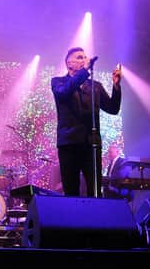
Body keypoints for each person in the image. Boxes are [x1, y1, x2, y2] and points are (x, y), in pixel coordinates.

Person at [51, 47, 121, 197]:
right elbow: (64, 93)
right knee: (71, 189)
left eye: (85, 57)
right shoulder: (58, 82)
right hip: (69, 143)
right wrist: (85, 71)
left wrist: (116, 86)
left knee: (94, 190)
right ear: (69, 63)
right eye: (79, 57)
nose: (84, 59)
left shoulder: (95, 86)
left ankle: (95, 219)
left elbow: (113, 108)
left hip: (92, 144)